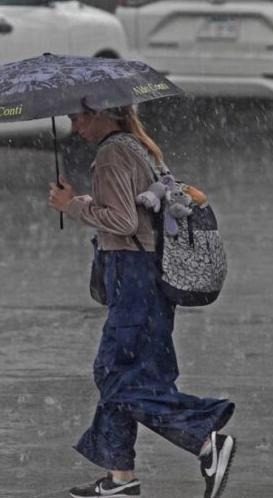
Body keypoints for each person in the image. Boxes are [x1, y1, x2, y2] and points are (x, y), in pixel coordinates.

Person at [47, 105, 237, 498]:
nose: (74, 125)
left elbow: (123, 222)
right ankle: (120, 480)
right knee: (134, 374)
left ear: (102, 113)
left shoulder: (112, 153)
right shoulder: (139, 147)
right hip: (149, 274)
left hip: (133, 275)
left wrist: (72, 206)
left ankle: (205, 440)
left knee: (115, 373)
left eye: (79, 117)